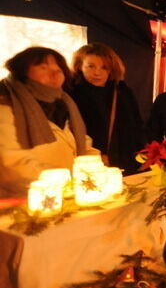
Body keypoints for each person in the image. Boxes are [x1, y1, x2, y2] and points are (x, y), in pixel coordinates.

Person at [0, 47, 98, 196]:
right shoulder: (7, 106)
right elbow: (13, 166)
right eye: (43, 67)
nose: (55, 73)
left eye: (58, 68)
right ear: (21, 72)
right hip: (27, 201)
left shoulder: (65, 105)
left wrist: (98, 168)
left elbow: (82, 145)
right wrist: (68, 183)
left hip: (70, 196)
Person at [68, 43, 145, 175]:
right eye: (90, 66)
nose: (97, 72)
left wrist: (142, 155)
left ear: (111, 69)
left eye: (104, 67)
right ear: (79, 66)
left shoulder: (122, 91)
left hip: (126, 158)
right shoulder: (71, 93)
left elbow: (136, 125)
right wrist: (94, 155)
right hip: (89, 162)